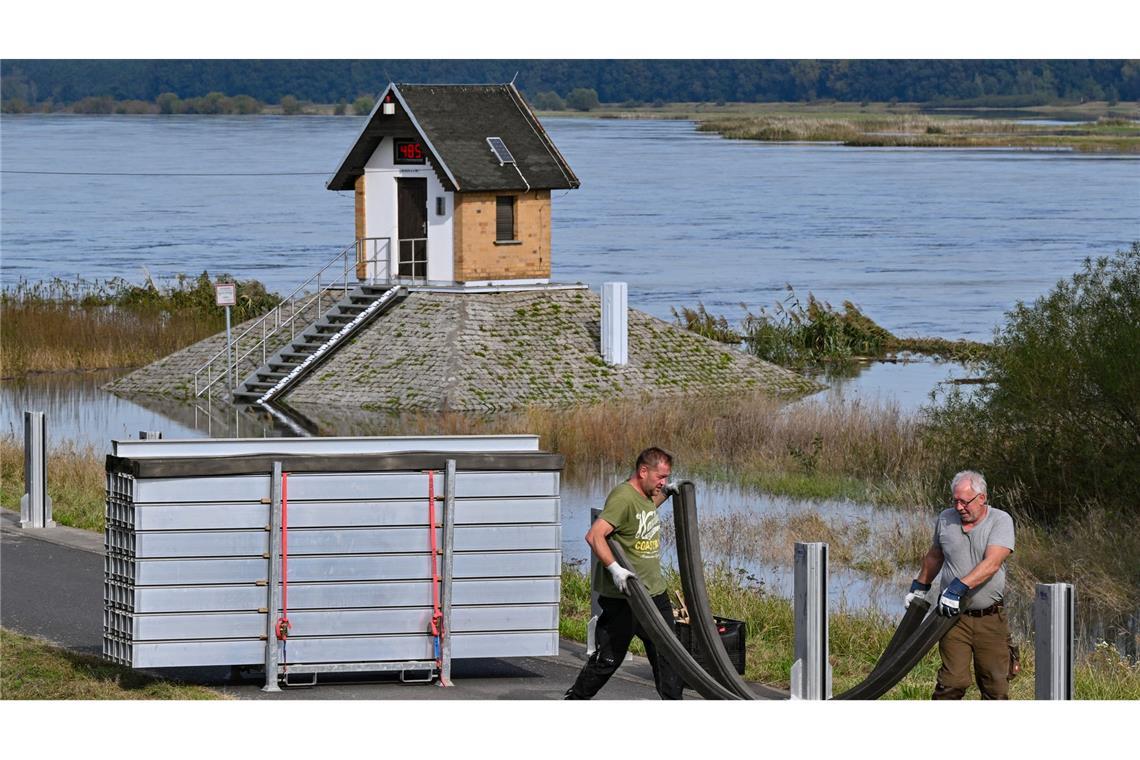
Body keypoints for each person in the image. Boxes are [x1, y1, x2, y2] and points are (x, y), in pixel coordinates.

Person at [563, 447, 684, 700]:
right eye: (660, 477)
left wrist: (667, 493)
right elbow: (594, 535)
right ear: (643, 471)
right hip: (626, 597)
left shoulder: (645, 496)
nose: (663, 482)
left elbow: (643, 512)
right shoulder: (622, 497)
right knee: (608, 659)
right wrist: (615, 570)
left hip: (654, 592)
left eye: (666, 477)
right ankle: (575, 700)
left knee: (669, 656)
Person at [905, 470, 1016, 699]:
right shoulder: (946, 519)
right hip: (952, 618)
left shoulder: (1000, 520)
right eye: (955, 501)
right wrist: (919, 587)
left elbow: (992, 563)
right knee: (951, 683)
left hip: (990, 619)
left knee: (995, 686)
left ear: (982, 498)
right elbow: (935, 556)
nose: (958, 507)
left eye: (964, 502)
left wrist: (957, 588)